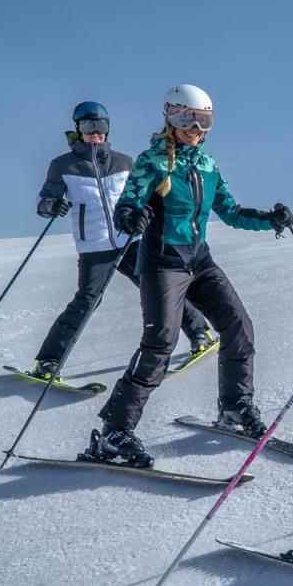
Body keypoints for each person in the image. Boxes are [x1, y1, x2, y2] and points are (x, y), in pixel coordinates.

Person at [85, 84, 293, 468]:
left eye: (204, 120)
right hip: (163, 263)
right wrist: (133, 216)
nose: (196, 128)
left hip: (199, 261)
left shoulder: (208, 165)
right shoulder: (153, 162)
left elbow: (231, 212)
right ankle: (115, 431)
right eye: (187, 119)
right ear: (170, 117)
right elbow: (127, 205)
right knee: (160, 343)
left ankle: (234, 405)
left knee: (238, 326)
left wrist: (270, 220)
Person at [32, 101, 215, 381]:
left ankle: (200, 332)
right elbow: (45, 199)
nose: (95, 133)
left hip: (132, 240)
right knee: (86, 301)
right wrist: (51, 205)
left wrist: (149, 212)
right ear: (77, 130)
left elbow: (144, 195)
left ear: (107, 129)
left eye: (100, 126)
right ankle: (48, 361)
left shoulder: (124, 161)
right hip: (94, 246)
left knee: (161, 288)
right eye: (88, 126)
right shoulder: (63, 165)